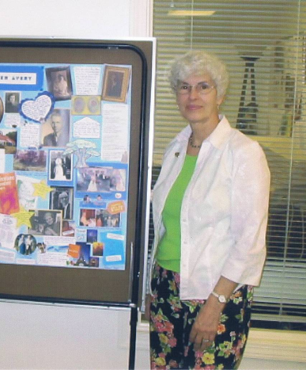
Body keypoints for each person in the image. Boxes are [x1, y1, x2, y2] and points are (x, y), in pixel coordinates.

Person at [147, 51, 270, 370]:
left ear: (220, 93)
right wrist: (153, 287)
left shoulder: (243, 153)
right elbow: (166, 227)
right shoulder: (174, 148)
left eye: (203, 86)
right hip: (166, 288)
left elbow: (250, 241)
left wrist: (215, 305)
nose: (193, 95)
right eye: (184, 87)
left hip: (215, 293)